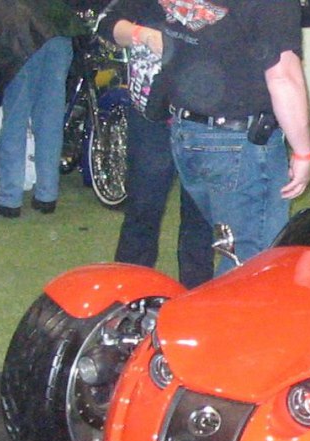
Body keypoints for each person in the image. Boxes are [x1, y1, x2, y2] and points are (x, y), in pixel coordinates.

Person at [158, 0, 310, 275]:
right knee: (253, 263)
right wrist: (303, 152)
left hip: (187, 131)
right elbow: (283, 79)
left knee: (231, 247)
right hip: (236, 141)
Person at [97, 0, 213, 288]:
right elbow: (107, 24)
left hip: (205, 117)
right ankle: (128, 294)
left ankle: (196, 298)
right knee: (143, 209)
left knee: (200, 218)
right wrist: (142, 34)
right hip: (152, 117)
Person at [0, 0, 105, 217]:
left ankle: (9, 199)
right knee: (50, 119)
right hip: (59, 35)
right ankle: (47, 194)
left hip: (17, 40)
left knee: (14, 121)